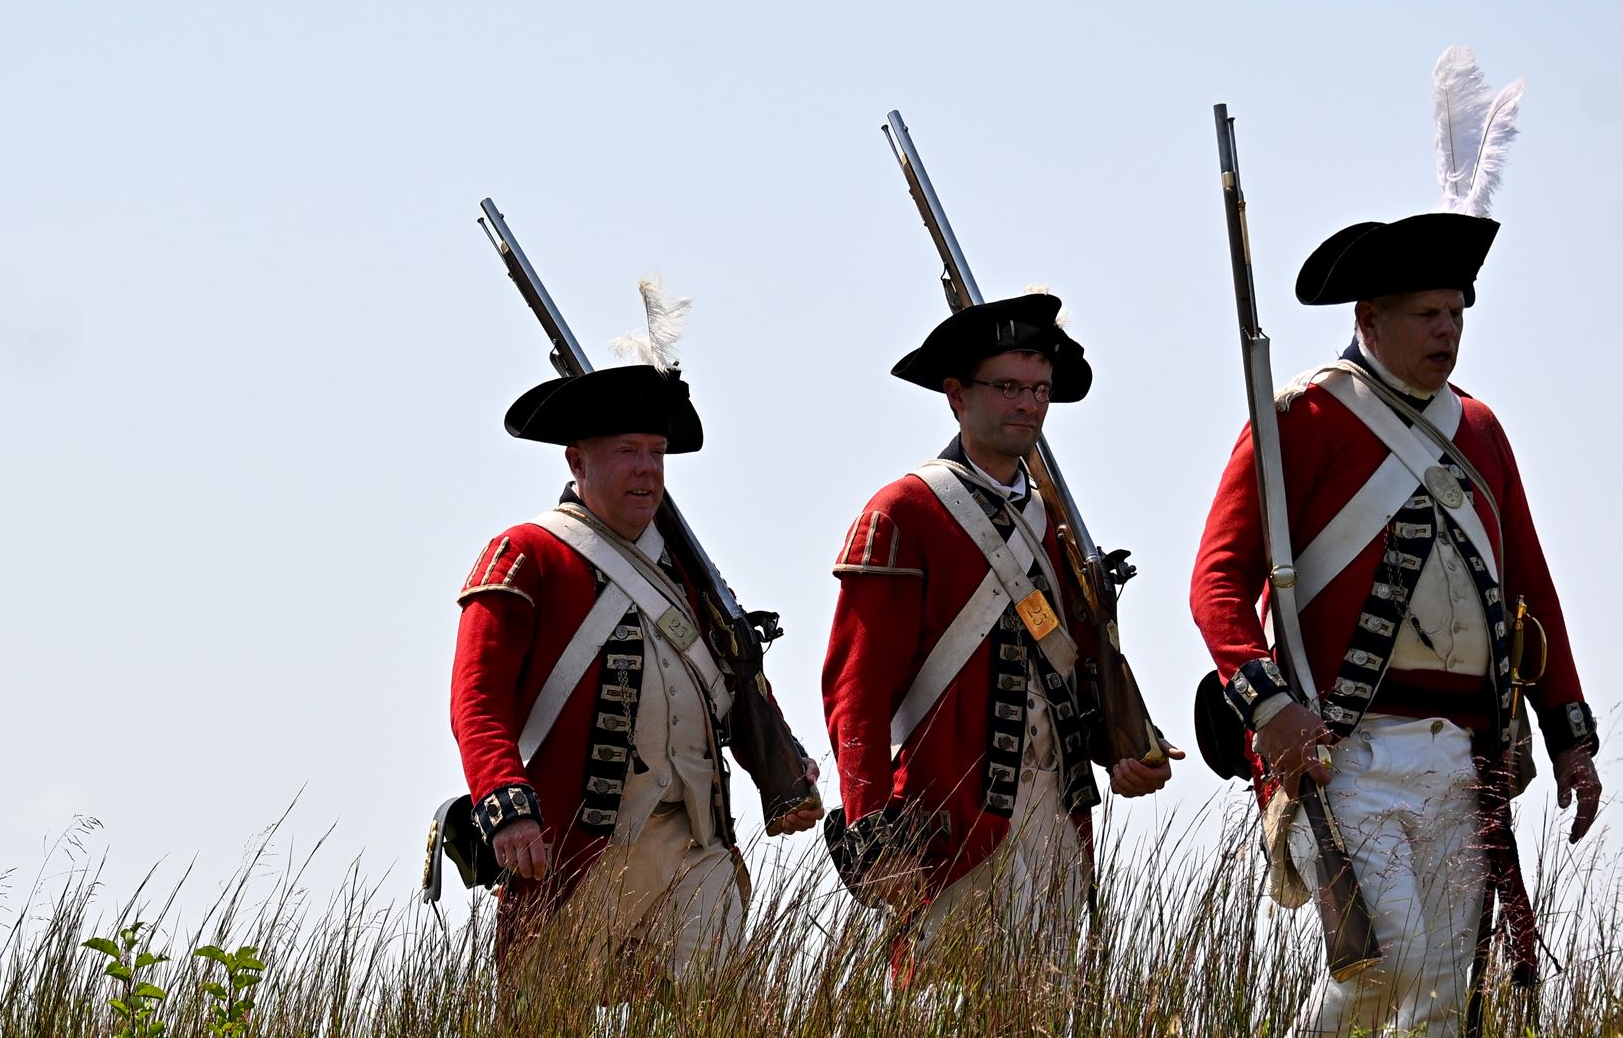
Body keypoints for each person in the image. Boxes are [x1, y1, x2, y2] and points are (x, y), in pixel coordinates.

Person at [1191, 52, 1601, 1038]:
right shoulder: (1301, 418)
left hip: (1460, 753)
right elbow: (1217, 580)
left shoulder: (1479, 432)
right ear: (1369, 315)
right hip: (1345, 749)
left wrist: (1567, 733)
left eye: (1454, 312)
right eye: (1424, 312)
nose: (1446, 332)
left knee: (1437, 995)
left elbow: (1527, 589)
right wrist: (1267, 702)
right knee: (1381, 963)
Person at [449, 283, 822, 984]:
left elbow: (731, 683)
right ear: (576, 462)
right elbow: (477, 701)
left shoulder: (690, 575)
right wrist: (505, 805)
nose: (647, 469)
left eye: (656, 452)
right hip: (573, 848)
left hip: (695, 849)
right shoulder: (527, 554)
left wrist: (784, 765)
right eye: (626, 451)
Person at [821, 294, 1170, 963]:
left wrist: (1125, 744)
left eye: (1038, 389)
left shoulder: (1051, 524)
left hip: (1057, 824)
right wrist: (870, 830)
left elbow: (1072, 668)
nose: (1028, 405)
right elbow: (854, 693)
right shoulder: (904, 511)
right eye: (1008, 387)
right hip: (950, 832)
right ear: (956, 395)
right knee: (941, 1036)